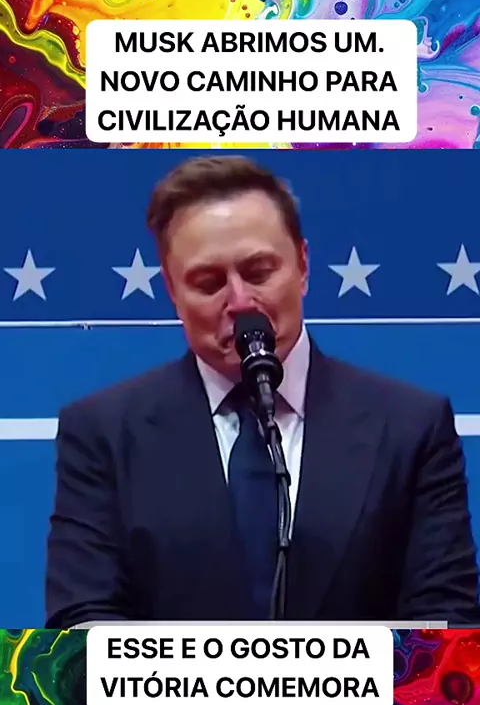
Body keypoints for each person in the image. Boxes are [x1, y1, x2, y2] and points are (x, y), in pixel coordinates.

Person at [45, 155, 479, 627]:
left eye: (258, 272)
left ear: (303, 265)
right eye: (208, 282)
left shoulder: (410, 428)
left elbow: (446, 627)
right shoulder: (104, 433)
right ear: (171, 288)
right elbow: (82, 626)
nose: (239, 301)